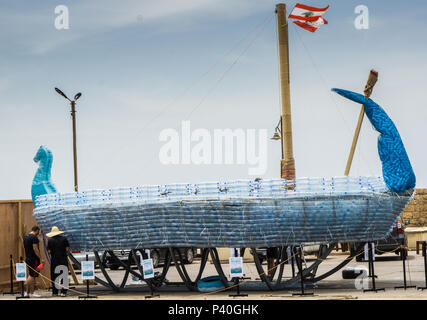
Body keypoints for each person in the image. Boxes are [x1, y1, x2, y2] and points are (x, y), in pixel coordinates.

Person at [46, 226, 70, 297]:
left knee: (54, 276)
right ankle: (63, 292)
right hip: (63, 259)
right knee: (64, 275)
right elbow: (67, 249)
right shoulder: (64, 239)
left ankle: (55, 292)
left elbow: (49, 251)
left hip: (54, 260)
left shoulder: (50, 240)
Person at [23, 225, 44, 297]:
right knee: (32, 275)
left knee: (33, 275)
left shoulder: (25, 237)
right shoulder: (34, 237)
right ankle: (26, 292)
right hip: (34, 259)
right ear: (37, 230)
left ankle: (31, 292)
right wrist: (40, 258)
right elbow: (35, 248)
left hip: (28, 258)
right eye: (39, 232)